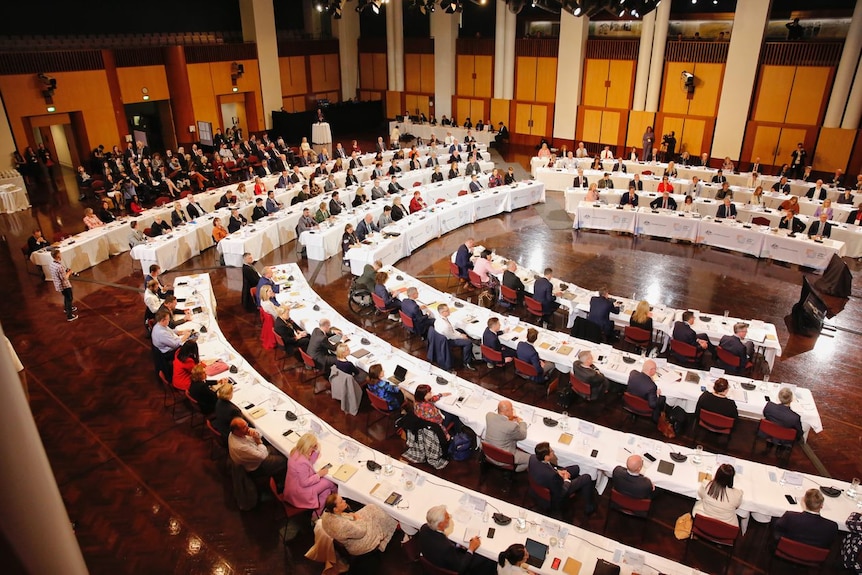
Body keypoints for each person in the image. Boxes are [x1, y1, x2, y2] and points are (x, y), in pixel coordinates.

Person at [415, 505, 495, 575]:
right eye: (447, 517)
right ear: (440, 524)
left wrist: (457, 545)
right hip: (450, 565)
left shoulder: (424, 528)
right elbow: (460, 567)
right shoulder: (445, 547)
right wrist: (471, 549)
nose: (450, 517)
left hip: (434, 559)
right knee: (487, 559)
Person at [528, 442, 595, 517]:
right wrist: (566, 480)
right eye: (551, 451)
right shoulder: (552, 476)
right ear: (546, 457)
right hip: (556, 493)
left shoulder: (533, 457)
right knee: (586, 477)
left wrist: (557, 471)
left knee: (576, 468)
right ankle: (589, 507)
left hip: (545, 481)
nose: (553, 452)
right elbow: (562, 492)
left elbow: (547, 467)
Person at [320, 494, 400, 556]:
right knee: (376, 515)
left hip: (349, 527)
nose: (344, 501)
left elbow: (342, 518)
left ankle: (388, 521)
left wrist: (349, 516)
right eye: (341, 501)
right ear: (335, 509)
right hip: (359, 542)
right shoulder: (343, 525)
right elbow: (362, 532)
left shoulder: (326, 514)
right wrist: (357, 518)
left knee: (371, 507)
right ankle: (392, 525)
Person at [283, 432, 337, 516]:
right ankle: (336, 496)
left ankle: (317, 514)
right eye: (313, 447)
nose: (314, 448)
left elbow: (309, 463)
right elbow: (304, 483)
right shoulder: (301, 462)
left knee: (326, 490)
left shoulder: (295, 451)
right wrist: (319, 474)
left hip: (293, 487)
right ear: (308, 446)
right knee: (328, 483)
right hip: (299, 492)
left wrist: (316, 451)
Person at [774, 488, 838, 549]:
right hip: (814, 556)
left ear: (803, 502)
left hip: (786, 549)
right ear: (821, 505)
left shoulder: (790, 517)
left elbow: (777, 528)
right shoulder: (832, 527)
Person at [228, 417, 287, 484]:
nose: (248, 428)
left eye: (247, 425)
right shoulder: (240, 447)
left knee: (280, 451)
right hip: (257, 465)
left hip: (258, 450)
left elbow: (259, 434)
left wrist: (256, 434)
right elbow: (262, 456)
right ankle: (280, 482)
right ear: (236, 431)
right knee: (284, 460)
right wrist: (258, 441)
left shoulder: (238, 433)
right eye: (244, 427)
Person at [692, 464, 743, 528]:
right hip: (725, 527)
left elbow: (700, 494)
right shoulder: (737, 494)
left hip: (703, 521)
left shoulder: (707, 485)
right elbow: (737, 506)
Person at [484, 400, 529, 472]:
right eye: (512, 409)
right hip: (503, 458)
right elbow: (523, 435)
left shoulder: (489, 416)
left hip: (488, 454)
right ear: (507, 411)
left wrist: (508, 419)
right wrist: (521, 422)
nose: (513, 410)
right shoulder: (512, 426)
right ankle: (515, 470)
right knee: (531, 459)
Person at [434, 303, 476, 371]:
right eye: (447, 310)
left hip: (445, 336)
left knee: (460, 330)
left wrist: (460, 334)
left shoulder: (439, 318)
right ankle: (467, 361)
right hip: (447, 340)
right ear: (442, 312)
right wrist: (461, 336)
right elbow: (451, 336)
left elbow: (452, 331)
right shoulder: (445, 325)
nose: (449, 311)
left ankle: (468, 353)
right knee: (468, 342)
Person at [50, 250, 77, 322]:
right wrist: (69, 272)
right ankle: (70, 316)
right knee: (69, 298)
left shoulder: (52, 264)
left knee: (66, 297)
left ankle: (67, 308)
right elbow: (65, 278)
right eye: (60, 254)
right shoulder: (59, 267)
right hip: (65, 285)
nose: (61, 255)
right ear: (58, 256)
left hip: (59, 285)